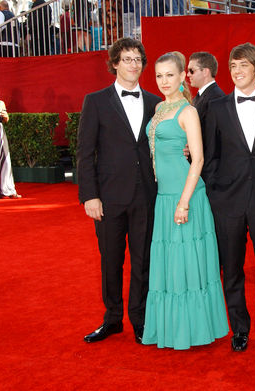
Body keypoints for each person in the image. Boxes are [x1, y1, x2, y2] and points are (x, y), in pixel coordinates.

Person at [141, 51, 228, 349]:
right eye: (159, 76)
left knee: (185, 265)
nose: (164, 81)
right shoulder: (158, 107)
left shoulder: (187, 111)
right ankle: (171, 329)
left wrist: (184, 201)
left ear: (182, 77)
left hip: (184, 196)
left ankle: (191, 331)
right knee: (170, 265)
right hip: (163, 197)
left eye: (170, 75)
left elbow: (198, 158)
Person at [77, 37, 161, 344]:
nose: (133, 64)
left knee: (143, 262)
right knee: (110, 261)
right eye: (127, 59)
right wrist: (89, 195)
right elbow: (85, 152)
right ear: (115, 63)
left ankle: (139, 320)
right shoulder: (96, 101)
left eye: (138, 59)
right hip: (108, 197)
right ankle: (112, 318)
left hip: (147, 197)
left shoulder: (156, 102)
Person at [202, 42, 255, 356]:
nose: (237, 72)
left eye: (243, 66)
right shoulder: (218, 107)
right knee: (232, 268)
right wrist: (213, 195)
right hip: (227, 201)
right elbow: (211, 156)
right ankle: (239, 328)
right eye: (233, 66)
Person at [187, 51, 225, 141]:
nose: (188, 74)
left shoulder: (215, 98)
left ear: (205, 72)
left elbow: (213, 139)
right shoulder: (200, 96)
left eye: (191, 71)